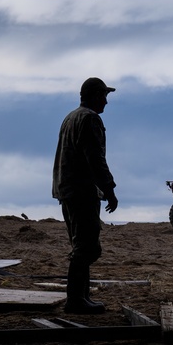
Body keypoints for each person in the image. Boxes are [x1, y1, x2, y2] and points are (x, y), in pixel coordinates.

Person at [52, 77, 119, 314]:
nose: (106, 102)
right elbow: (95, 158)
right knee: (88, 248)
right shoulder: (90, 119)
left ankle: (82, 296)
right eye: (103, 96)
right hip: (81, 191)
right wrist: (109, 190)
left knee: (81, 244)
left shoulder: (70, 117)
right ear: (92, 96)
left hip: (67, 190)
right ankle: (75, 300)